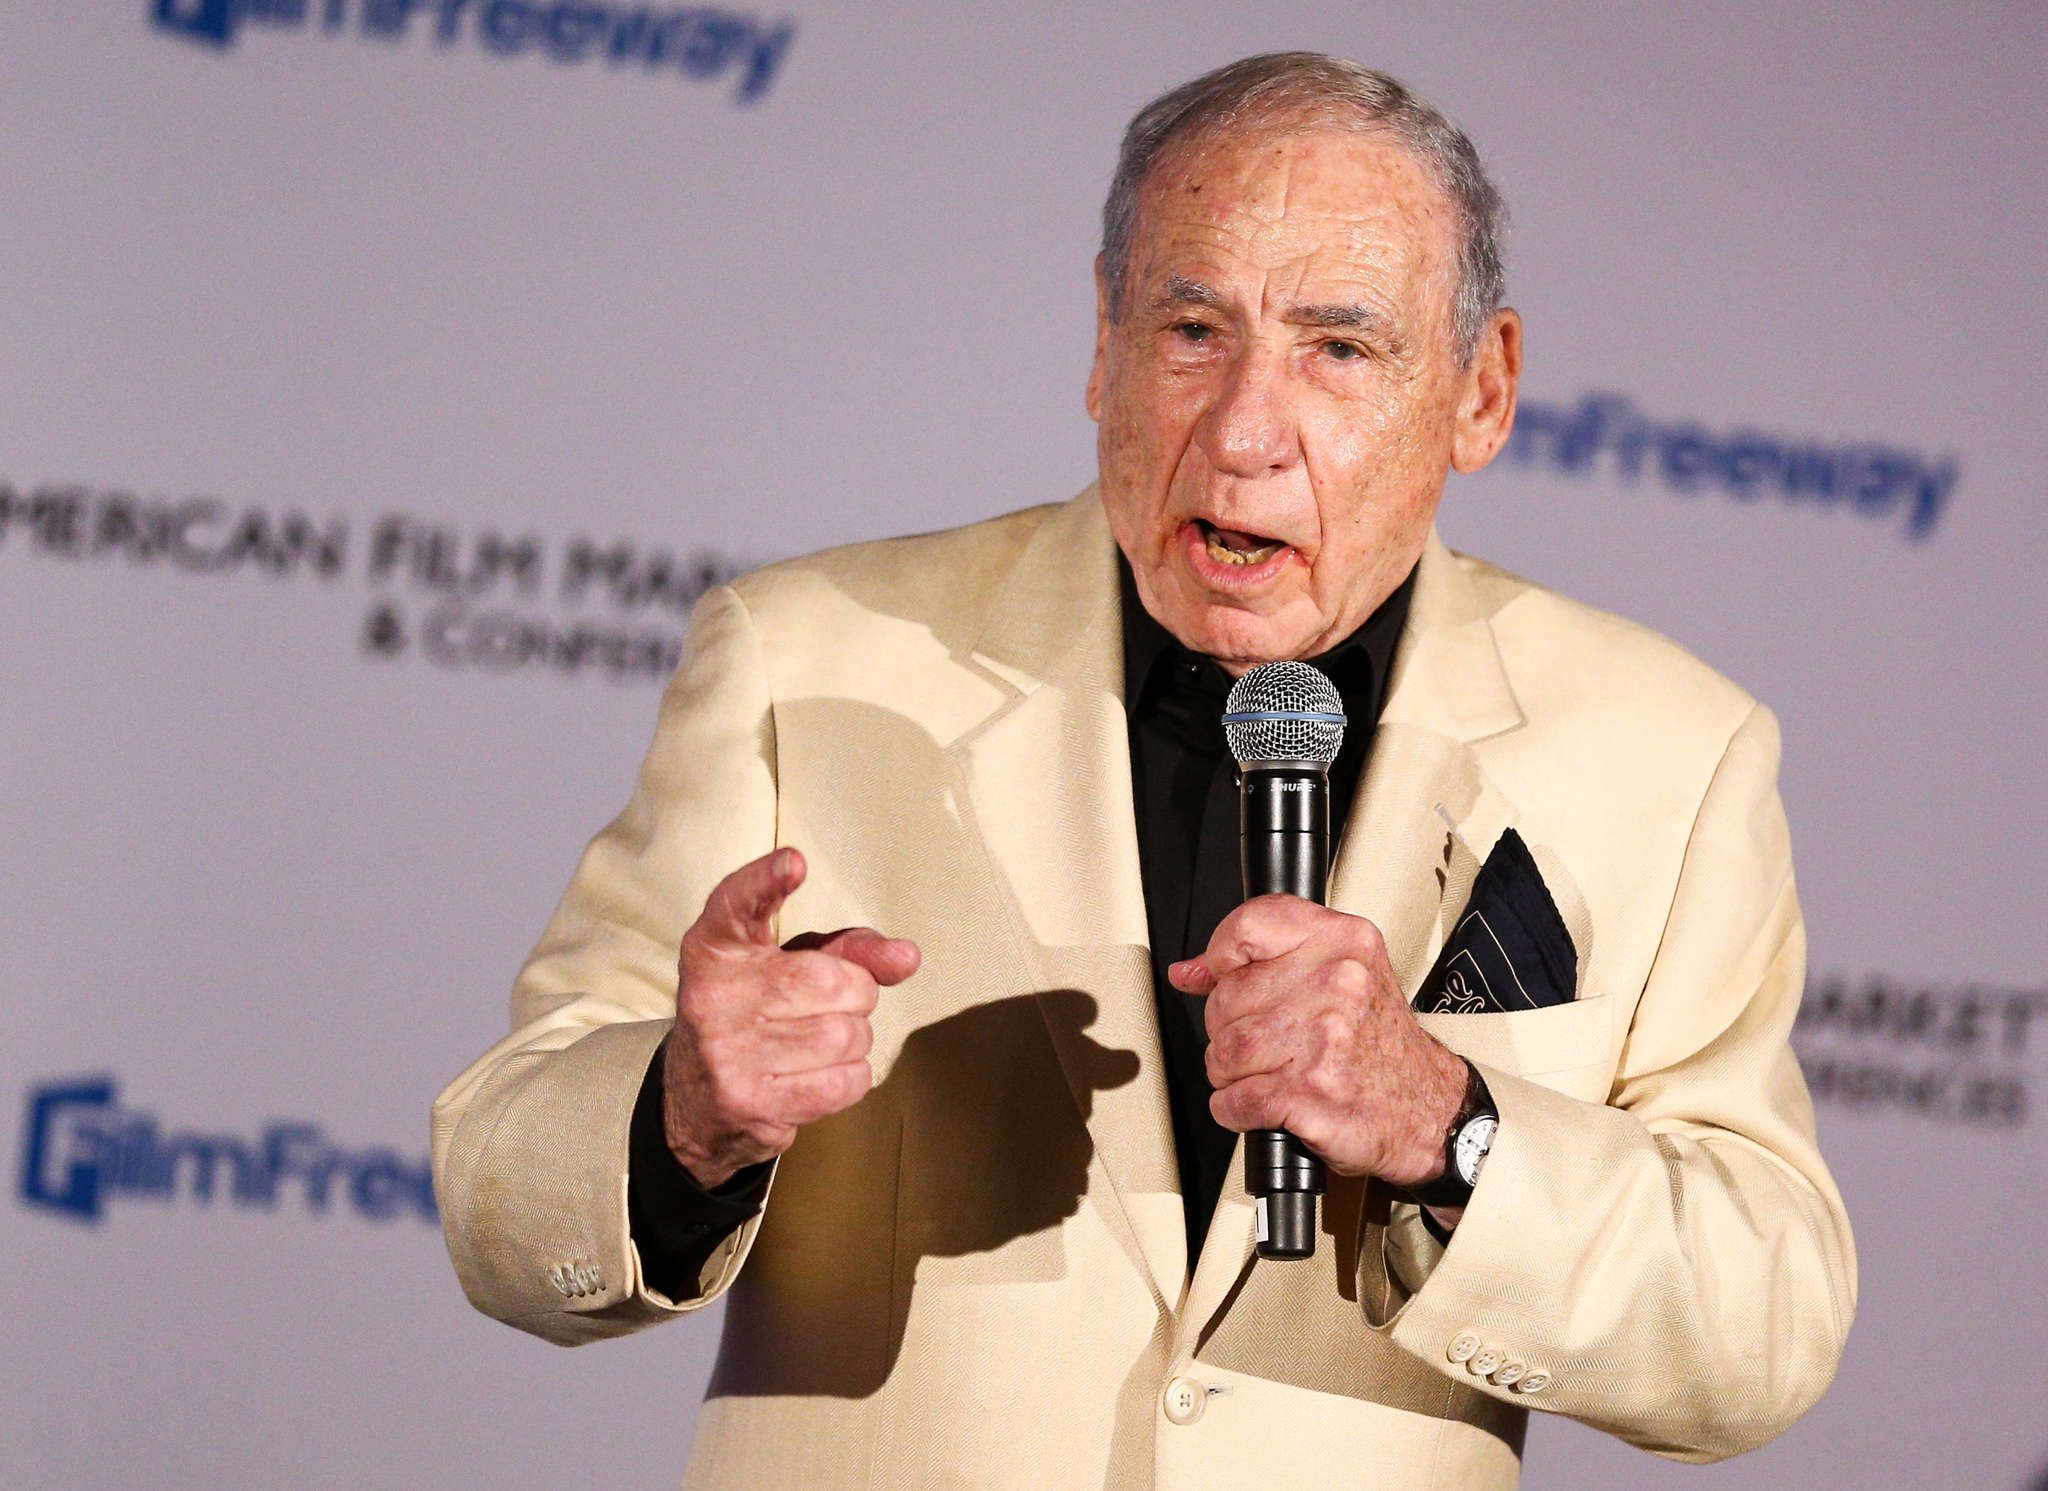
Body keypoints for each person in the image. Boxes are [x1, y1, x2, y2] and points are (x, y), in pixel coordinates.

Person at [431, 52, 1855, 1489]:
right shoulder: (805, 659)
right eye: (1191, 331)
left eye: (1338, 350)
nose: (1242, 434)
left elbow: (1764, 1325)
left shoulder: (1665, 750)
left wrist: (1450, 1125)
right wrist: (680, 1113)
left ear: (1481, 393)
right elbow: (499, 1191)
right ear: (1104, 348)